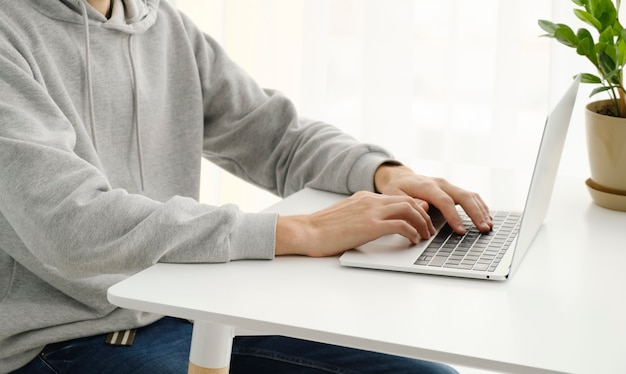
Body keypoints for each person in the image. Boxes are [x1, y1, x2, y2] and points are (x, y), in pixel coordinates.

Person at [0, 0, 493, 373]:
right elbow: (71, 224)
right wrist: (301, 232)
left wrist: (383, 172)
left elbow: (271, 134)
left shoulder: (159, 21)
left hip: (189, 308)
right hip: (62, 337)